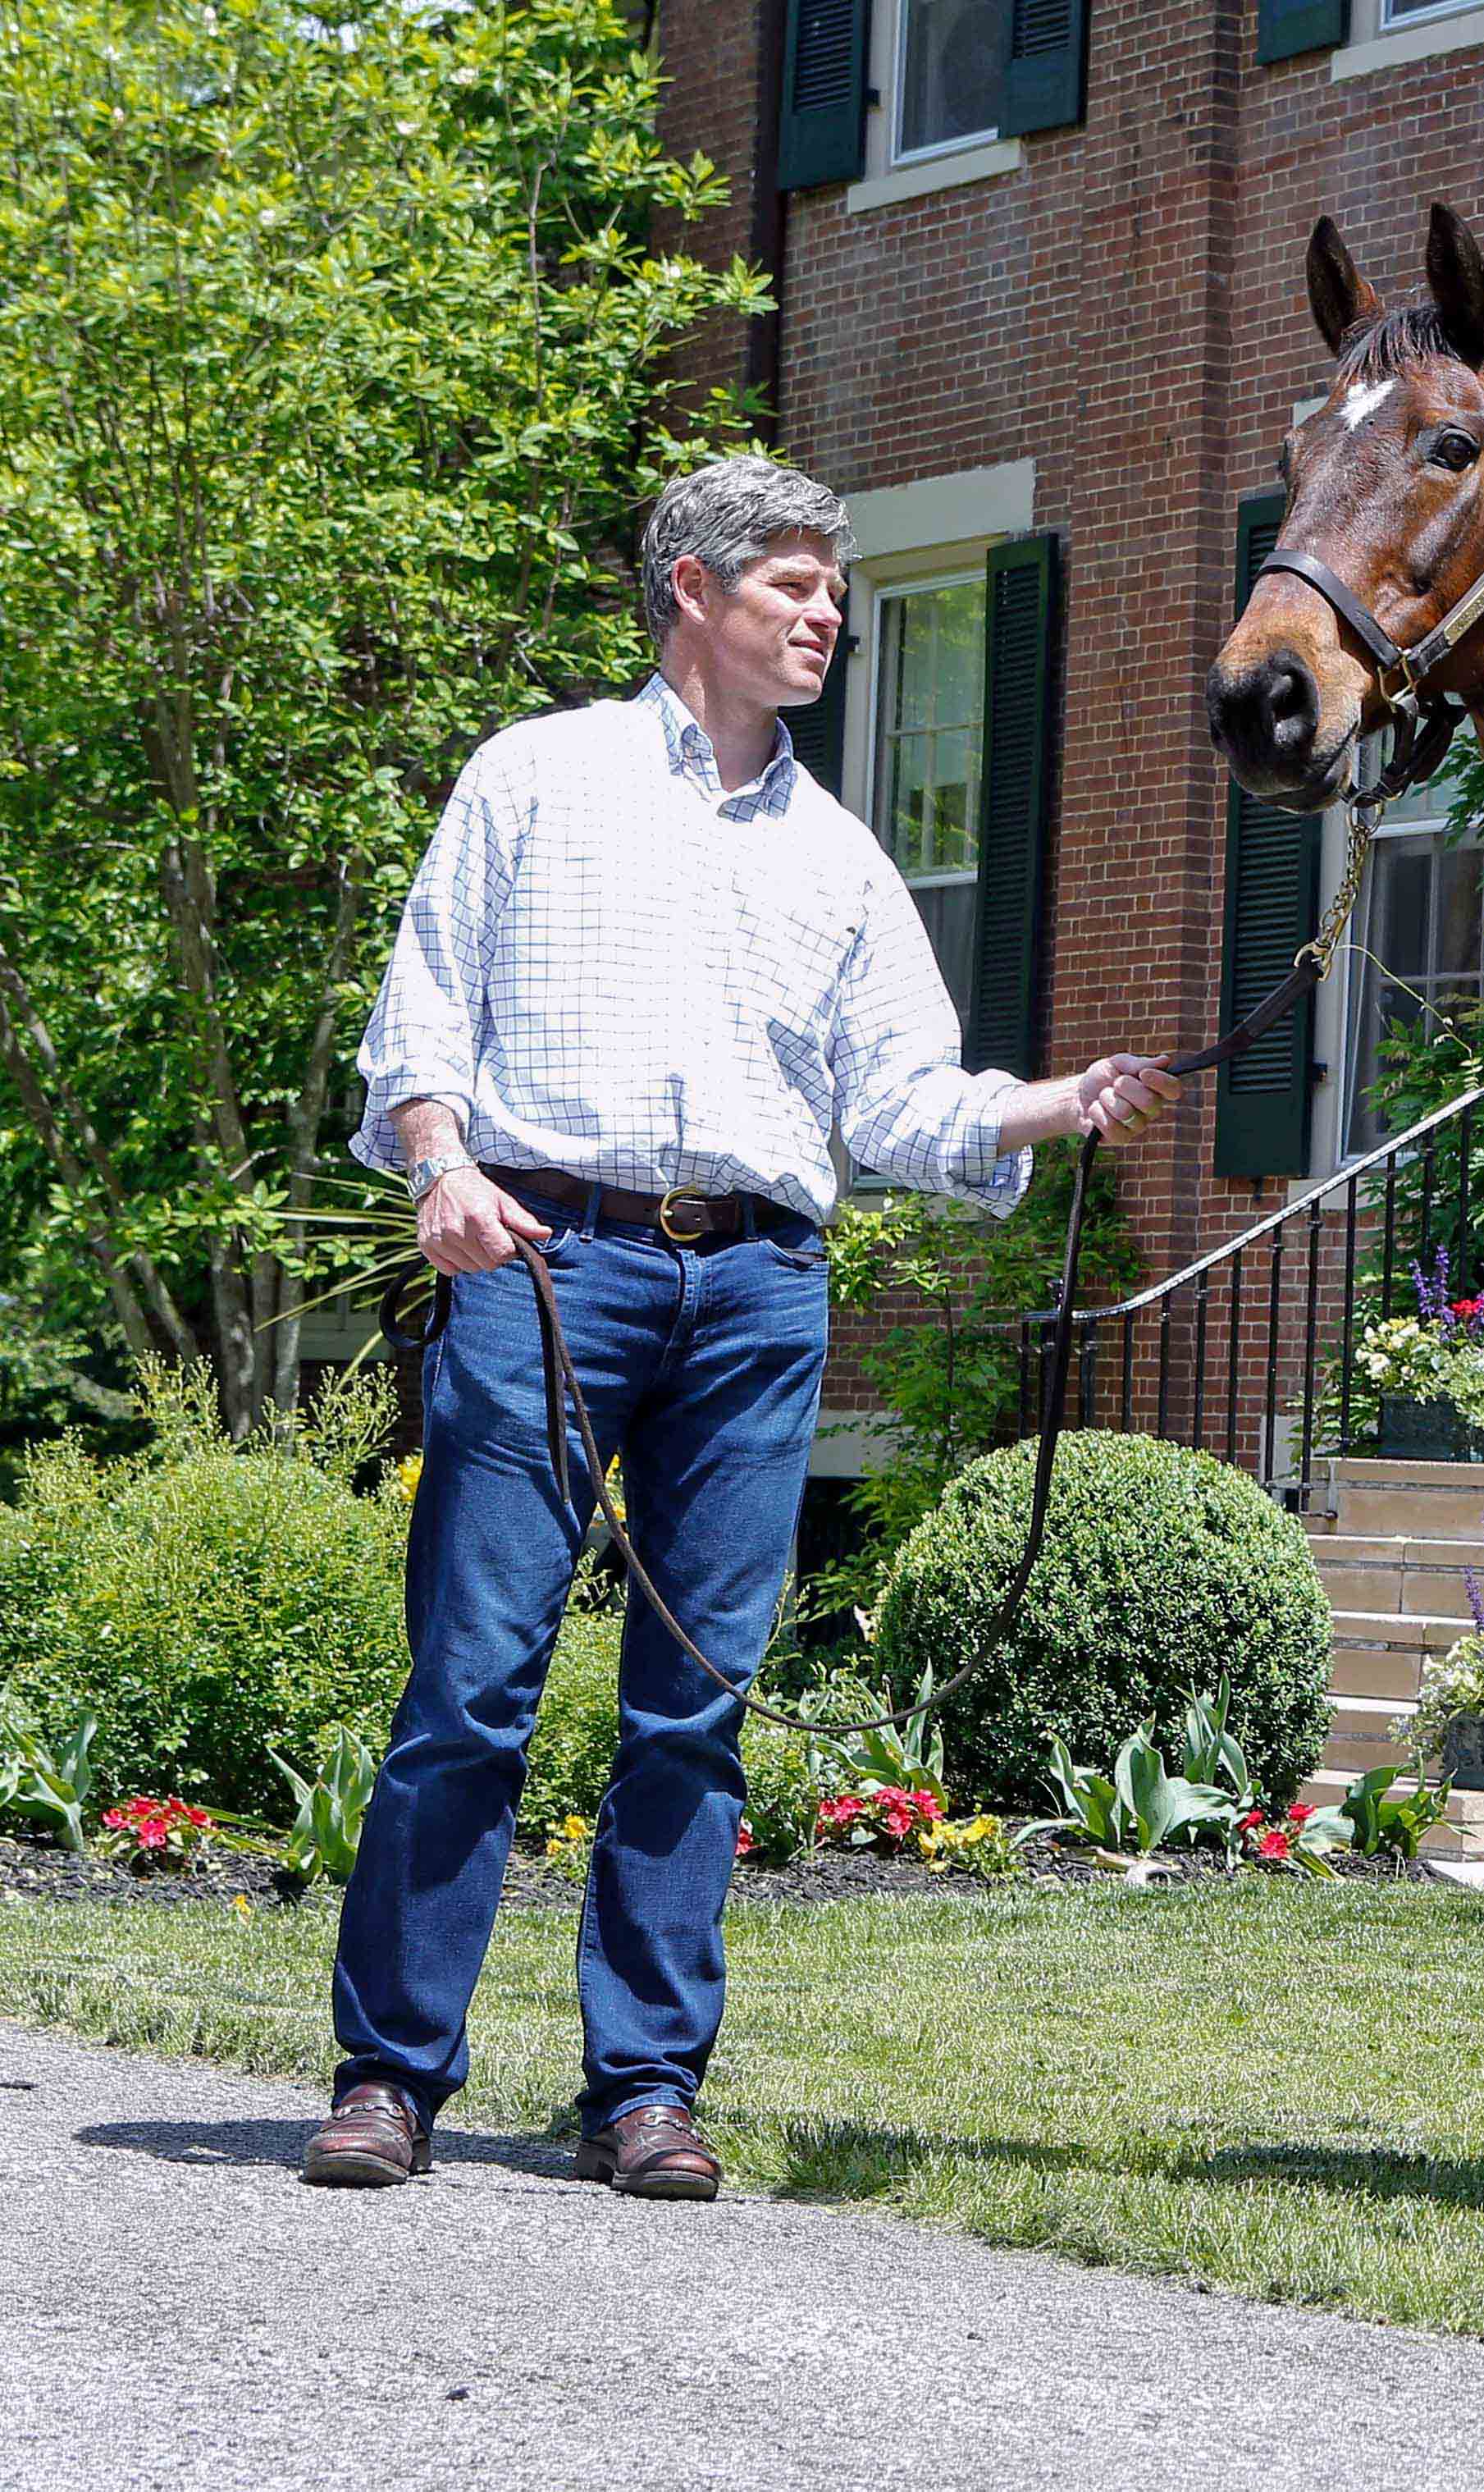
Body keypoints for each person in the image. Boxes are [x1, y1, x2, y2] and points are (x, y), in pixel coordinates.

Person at [304, 455, 1179, 2199]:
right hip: (544, 1263)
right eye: (791, 586)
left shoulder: (844, 861)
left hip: (762, 1290)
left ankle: (643, 2088)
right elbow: (422, 1018)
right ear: (690, 592)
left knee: (691, 1712)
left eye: (835, 595)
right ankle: (389, 2075)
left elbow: (906, 1105)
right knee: (473, 1686)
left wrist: (1048, 1103)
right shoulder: (532, 780)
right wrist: (439, 1173)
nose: (826, 617)